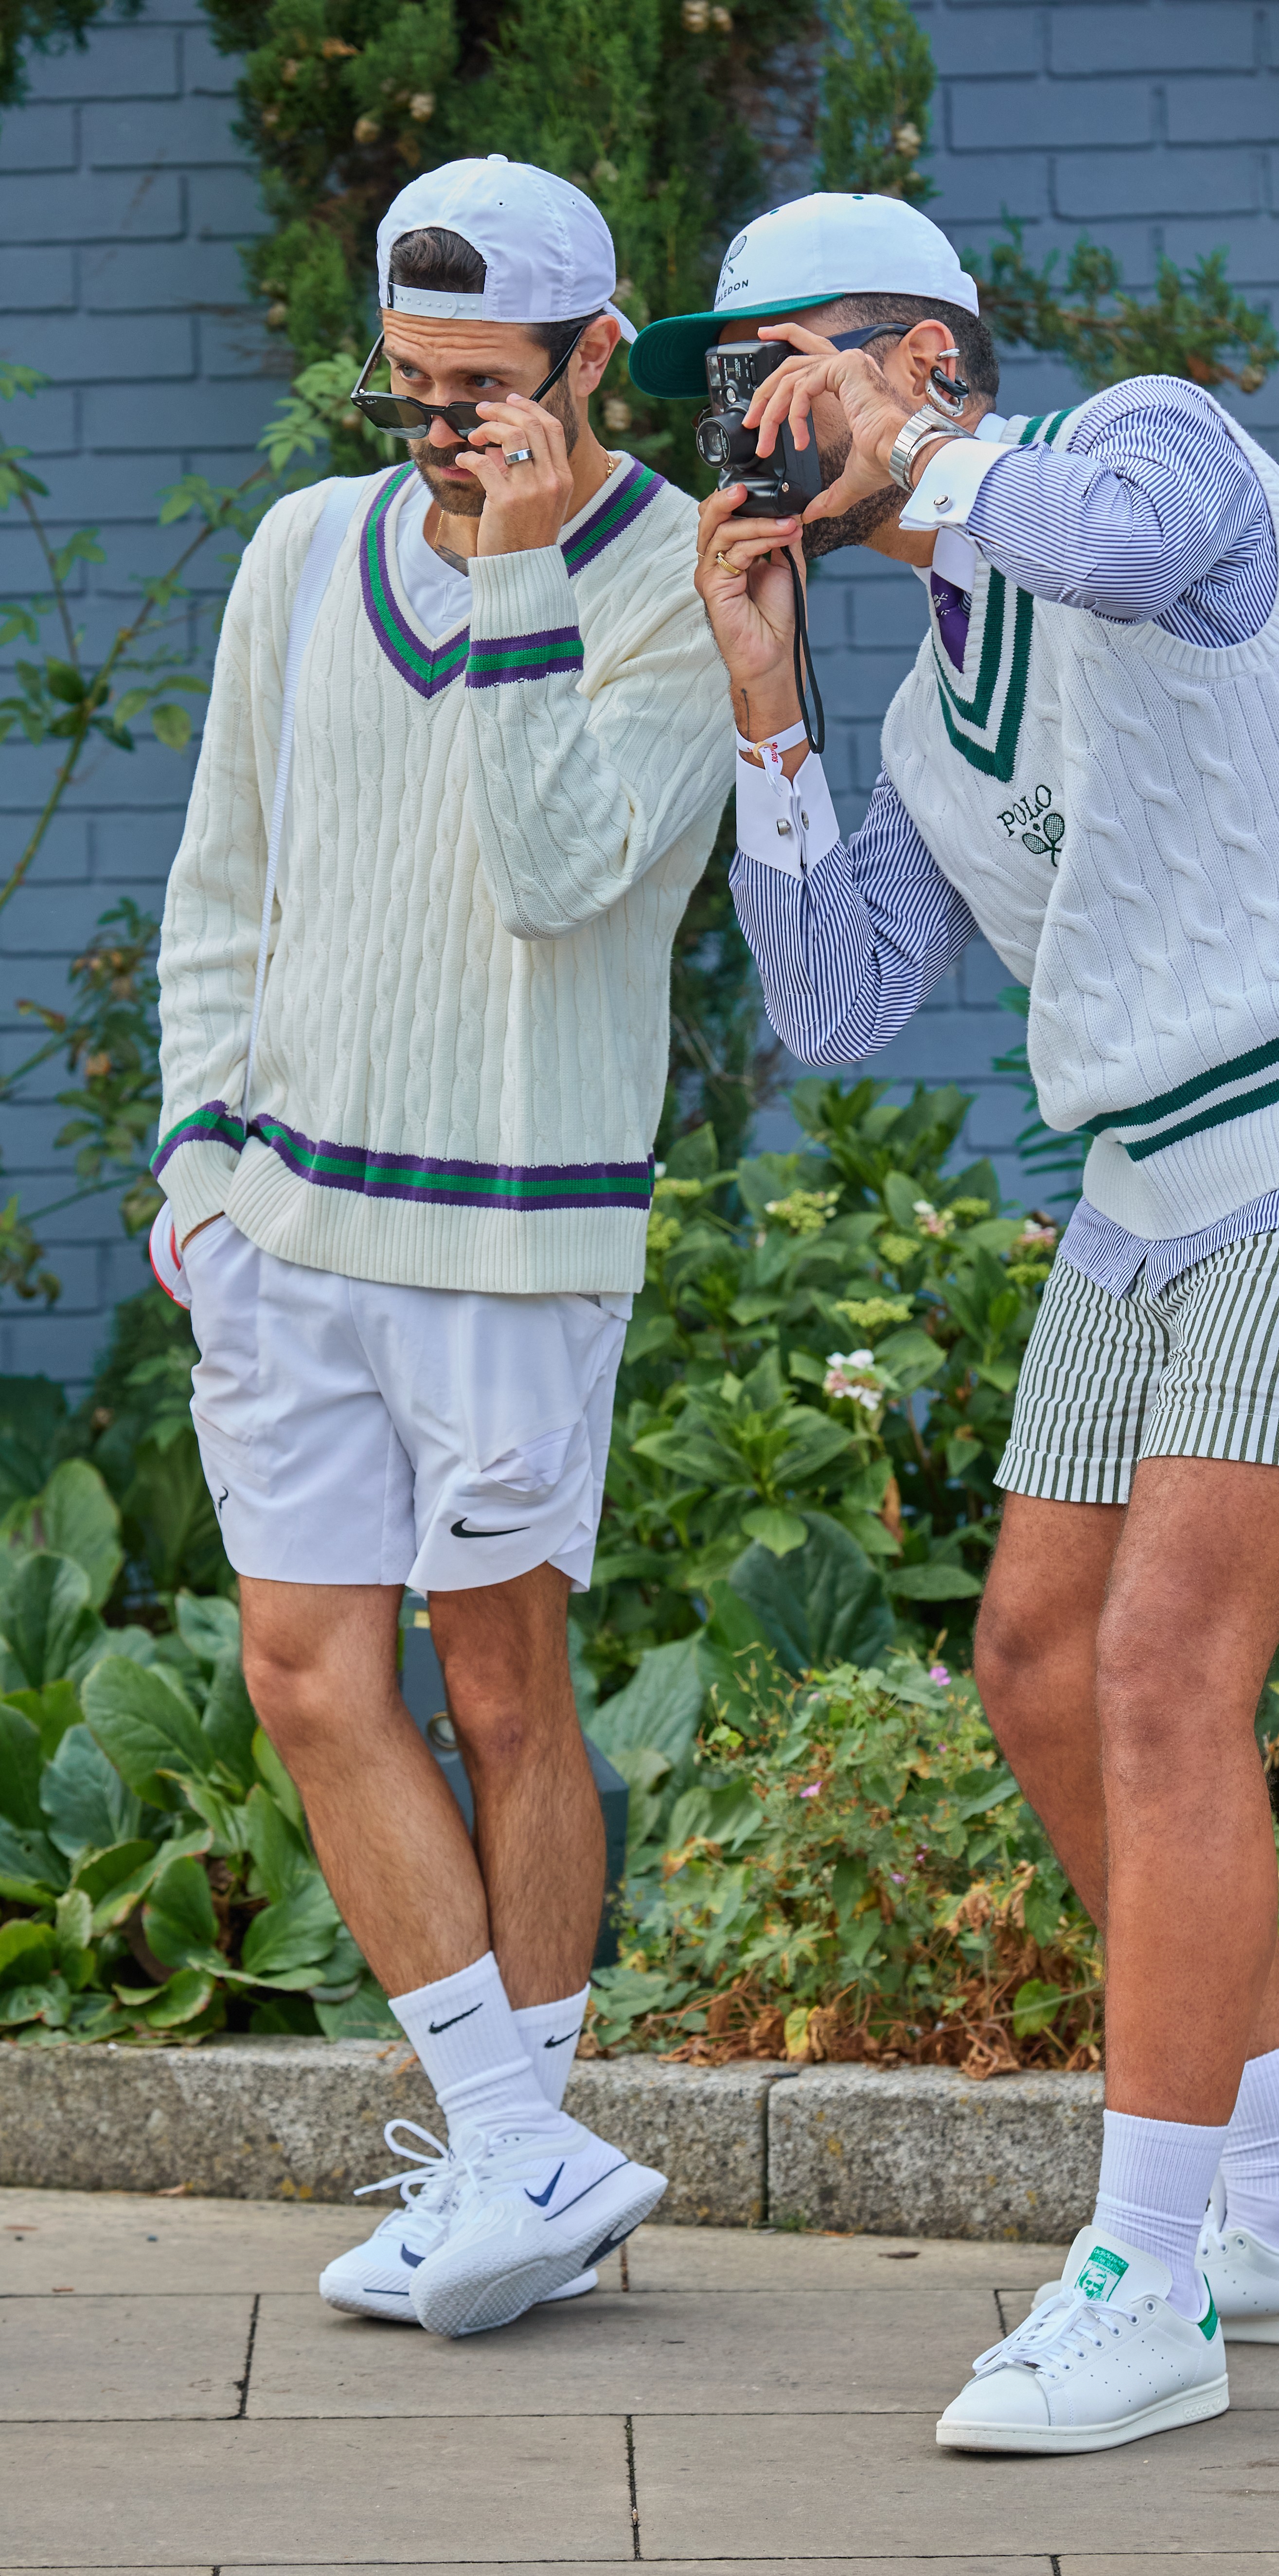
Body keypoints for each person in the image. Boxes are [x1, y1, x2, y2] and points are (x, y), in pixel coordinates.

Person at [630, 191, 1279, 2452]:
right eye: (735, 389)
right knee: (1040, 1658)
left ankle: (1147, 2275)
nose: (757, 421)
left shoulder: (1150, 445)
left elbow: (1119, 555)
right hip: (1155, 1189)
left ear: (926, 353)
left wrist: (915, 462)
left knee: (1161, 1667)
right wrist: (770, 706)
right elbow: (840, 1007)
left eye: (789, 366)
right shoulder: (942, 702)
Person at [153, 157, 732, 2339]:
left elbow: (568, 865)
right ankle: (517, 2151)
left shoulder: (684, 576)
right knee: (308, 1670)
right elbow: (229, 875)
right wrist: (201, 1168)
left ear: (595, 355)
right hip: (284, 1222)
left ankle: (520, 2167)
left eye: (488, 386)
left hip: (510, 1242)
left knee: (502, 1683)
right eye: (410, 387)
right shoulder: (304, 551)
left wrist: (508, 568)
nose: (446, 424)